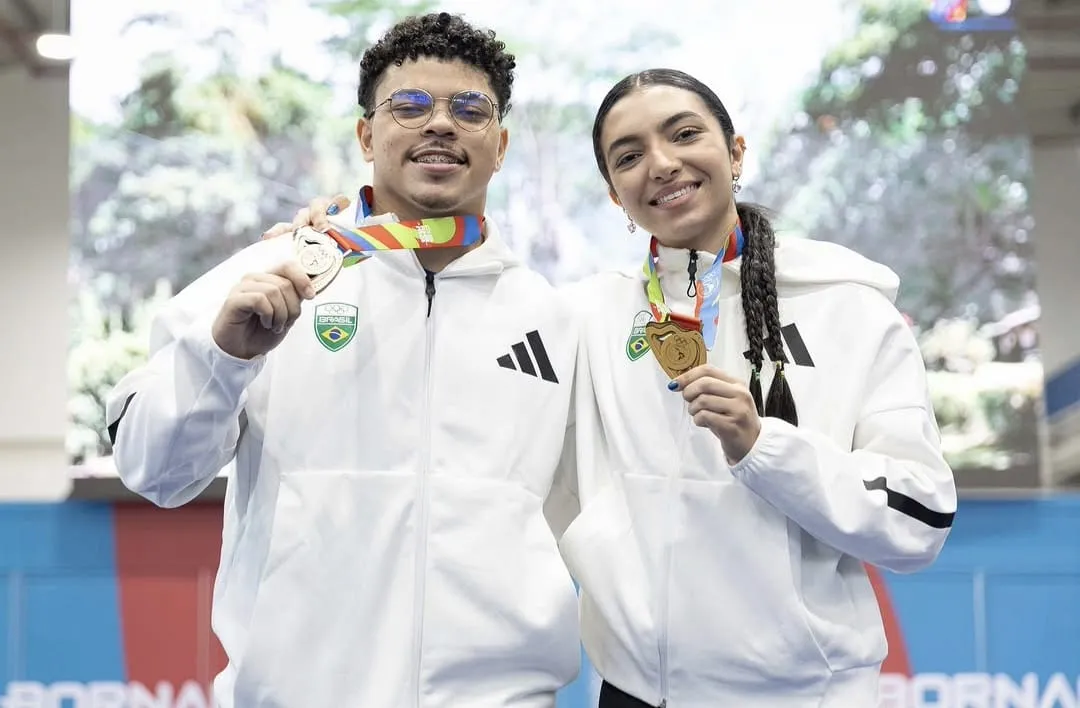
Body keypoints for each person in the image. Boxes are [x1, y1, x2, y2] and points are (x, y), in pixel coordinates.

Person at [288, 68, 958, 707]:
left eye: (685, 134)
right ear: (616, 195)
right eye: (629, 155)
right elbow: (451, 329)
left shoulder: (847, 310)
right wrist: (347, 231)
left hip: (804, 694)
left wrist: (764, 448)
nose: (662, 164)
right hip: (636, 694)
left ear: (736, 150)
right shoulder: (581, 318)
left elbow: (919, 518)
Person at [106, 13, 582, 708]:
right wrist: (223, 358)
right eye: (410, 105)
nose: (440, 124)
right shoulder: (268, 277)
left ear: (501, 144)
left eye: (469, 109)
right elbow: (156, 473)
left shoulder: (553, 318)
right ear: (366, 134)